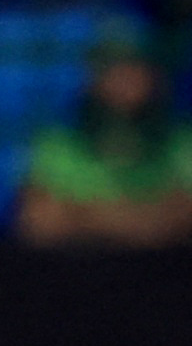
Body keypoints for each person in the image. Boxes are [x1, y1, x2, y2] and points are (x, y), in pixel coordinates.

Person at [18, 33, 192, 246]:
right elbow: (41, 224)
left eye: (135, 69)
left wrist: (82, 212)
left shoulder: (183, 144)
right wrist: (154, 213)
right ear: (90, 80)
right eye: (112, 70)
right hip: (78, 273)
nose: (124, 81)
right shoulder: (56, 146)